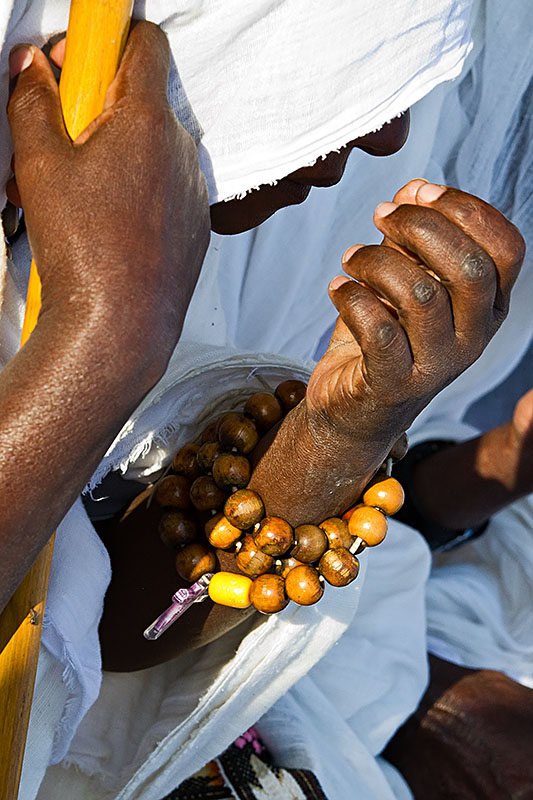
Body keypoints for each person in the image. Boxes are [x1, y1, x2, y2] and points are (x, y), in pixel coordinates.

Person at [0, 1, 530, 798]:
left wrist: (337, 434)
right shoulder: (129, 268)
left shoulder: (152, 239)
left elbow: (109, 627)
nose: (392, 139)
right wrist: (107, 333)